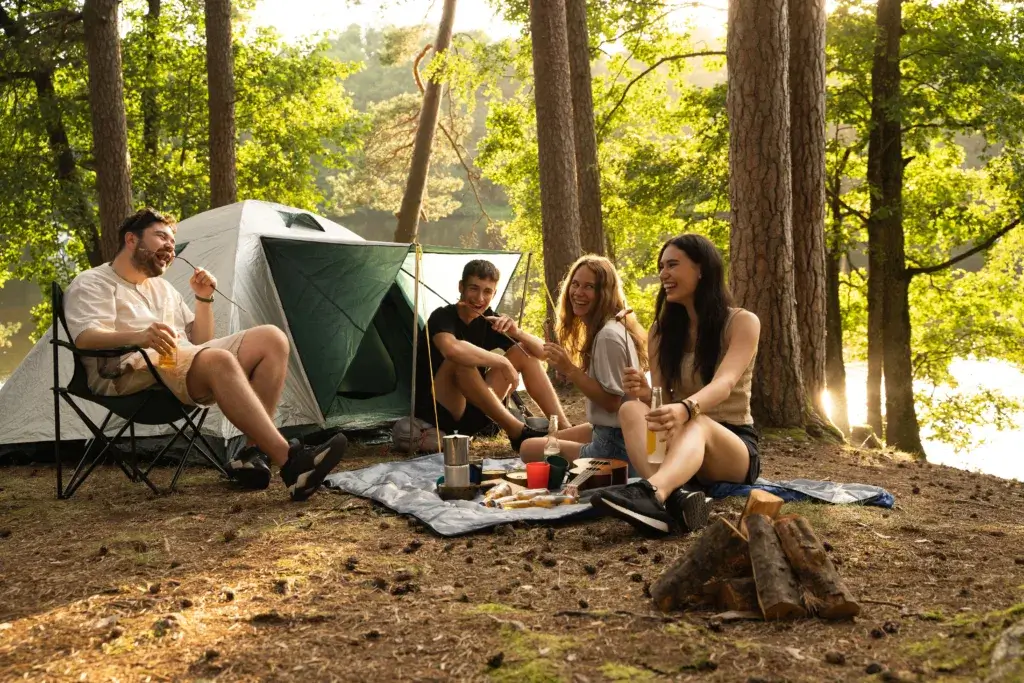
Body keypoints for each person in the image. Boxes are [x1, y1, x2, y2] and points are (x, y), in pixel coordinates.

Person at [63, 208, 347, 501]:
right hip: (126, 371)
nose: (169, 247)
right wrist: (139, 336)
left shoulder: (162, 289)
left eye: (172, 242)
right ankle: (291, 462)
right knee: (218, 360)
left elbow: (200, 341)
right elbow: (85, 339)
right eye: (161, 236)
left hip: (175, 363)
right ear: (132, 240)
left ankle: (251, 455)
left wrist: (203, 298)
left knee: (272, 339)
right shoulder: (92, 282)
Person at [592, 234, 761, 535]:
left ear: (701, 269)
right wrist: (644, 393)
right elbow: (662, 398)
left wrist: (685, 409)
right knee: (630, 410)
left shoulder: (742, 322)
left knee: (700, 423)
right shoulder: (660, 332)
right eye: (661, 267)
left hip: (731, 446)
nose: (663, 274)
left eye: (672, 265)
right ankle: (675, 500)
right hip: (681, 438)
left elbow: (724, 383)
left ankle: (651, 494)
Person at [414, 259, 570, 452]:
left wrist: (516, 331)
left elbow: (543, 354)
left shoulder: (488, 319)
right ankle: (517, 432)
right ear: (461, 287)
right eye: (474, 288)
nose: (479, 298)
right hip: (442, 413)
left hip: (478, 409)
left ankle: (565, 431)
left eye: (487, 291)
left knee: (524, 352)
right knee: (461, 361)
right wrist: (502, 361)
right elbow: (452, 349)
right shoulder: (442, 316)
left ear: (494, 294)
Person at [519, 255, 647, 472]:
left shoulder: (607, 336)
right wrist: (567, 370)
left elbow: (612, 403)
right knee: (552, 438)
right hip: (609, 430)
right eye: (575, 284)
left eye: (589, 287)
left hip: (616, 445)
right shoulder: (609, 327)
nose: (578, 293)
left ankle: (609, 467)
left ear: (603, 294)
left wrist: (570, 369)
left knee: (527, 448)